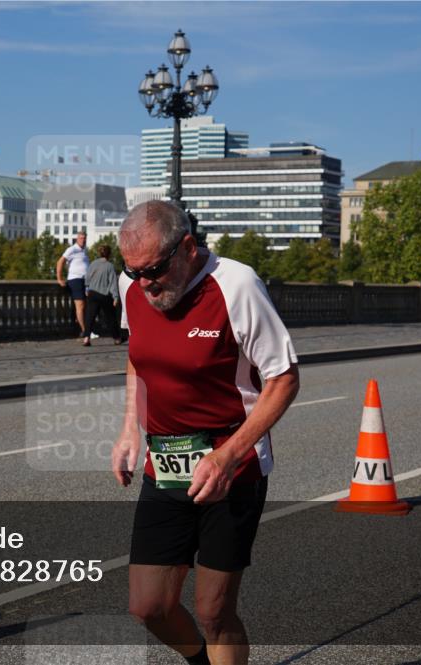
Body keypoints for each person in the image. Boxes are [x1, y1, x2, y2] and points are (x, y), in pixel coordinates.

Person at [111, 201, 299, 665]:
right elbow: (138, 357)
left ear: (188, 248)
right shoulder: (132, 286)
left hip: (232, 466)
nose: (145, 283)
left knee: (214, 611)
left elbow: (284, 378)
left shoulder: (237, 285)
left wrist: (229, 455)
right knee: (148, 606)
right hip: (167, 463)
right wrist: (129, 430)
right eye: (133, 272)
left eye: (154, 269)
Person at [81, 244, 122, 347]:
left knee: (90, 317)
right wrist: (115, 297)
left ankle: (86, 338)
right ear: (109, 254)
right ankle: (116, 338)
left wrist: (87, 288)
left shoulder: (93, 264)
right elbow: (113, 283)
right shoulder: (110, 266)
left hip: (92, 293)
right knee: (110, 317)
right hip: (104, 295)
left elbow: (87, 277)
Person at [57, 231, 89, 336]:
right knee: (80, 305)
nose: (83, 240)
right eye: (81, 238)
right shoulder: (72, 249)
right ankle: (85, 331)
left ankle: (81, 327)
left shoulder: (84, 250)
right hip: (75, 280)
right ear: (77, 239)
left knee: (85, 306)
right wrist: (59, 278)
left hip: (85, 281)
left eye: (84, 238)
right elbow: (60, 262)